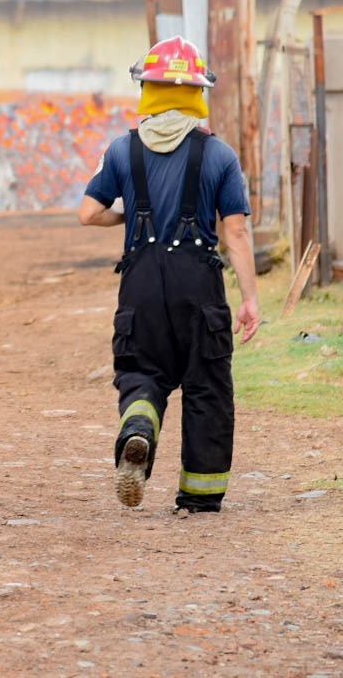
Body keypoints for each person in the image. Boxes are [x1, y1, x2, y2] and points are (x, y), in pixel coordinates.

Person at [78, 36, 259, 514]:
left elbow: (88, 213)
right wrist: (250, 299)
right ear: (196, 92)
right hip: (198, 284)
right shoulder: (219, 156)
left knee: (141, 373)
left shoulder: (122, 150)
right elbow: (235, 233)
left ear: (149, 90)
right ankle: (199, 498)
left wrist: (131, 220)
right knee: (207, 385)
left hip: (140, 281)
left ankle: (138, 428)